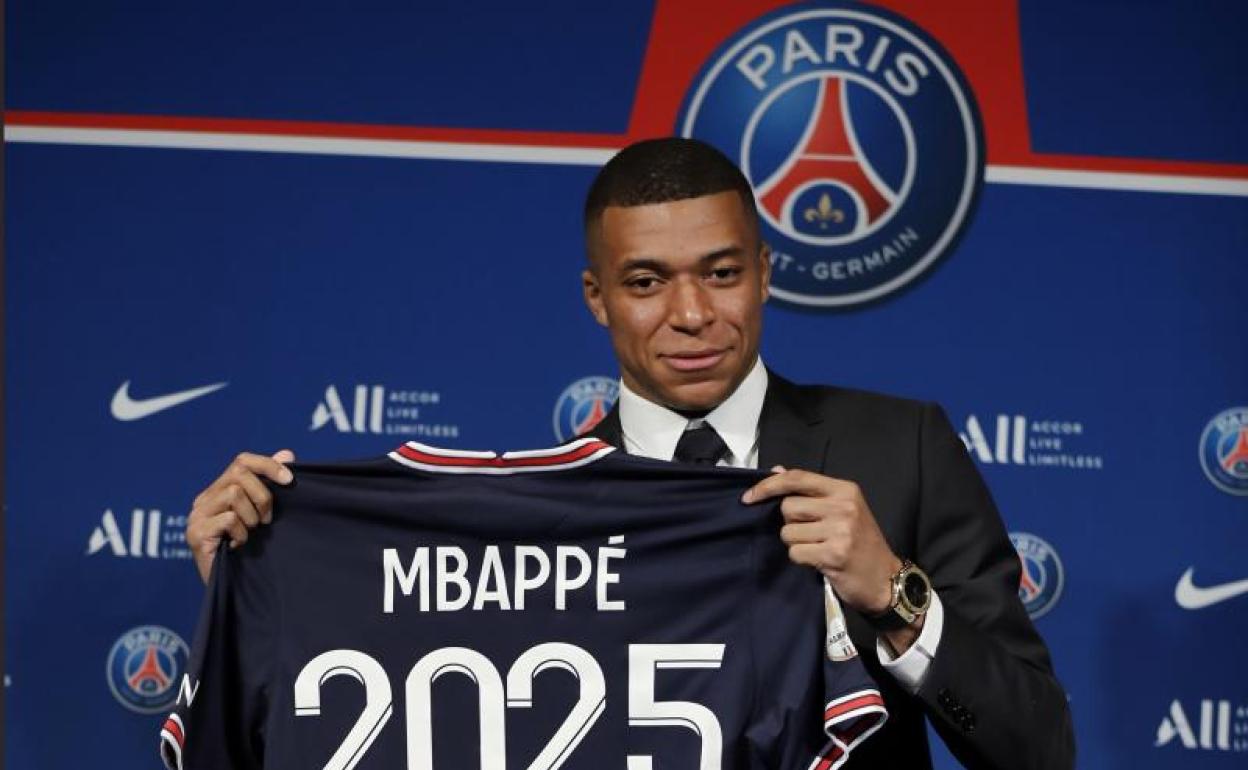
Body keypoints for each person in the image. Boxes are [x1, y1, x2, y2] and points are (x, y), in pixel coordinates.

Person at [187, 137, 1074, 769]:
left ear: (766, 273)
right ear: (596, 296)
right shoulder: (548, 512)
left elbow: (1038, 748)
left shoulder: (901, 450)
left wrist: (895, 594)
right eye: (647, 281)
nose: (691, 315)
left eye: (721, 273)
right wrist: (263, 587)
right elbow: (442, 721)